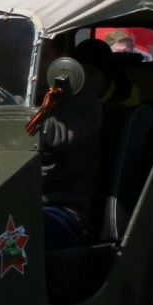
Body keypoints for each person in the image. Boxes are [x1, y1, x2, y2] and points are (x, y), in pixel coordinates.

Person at [30, 58, 105, 251]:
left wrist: (13, 105)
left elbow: (55, 136)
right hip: (20, 203)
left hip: (61, 207)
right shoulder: (32, 92)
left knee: (7, 239)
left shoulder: (81, 101)